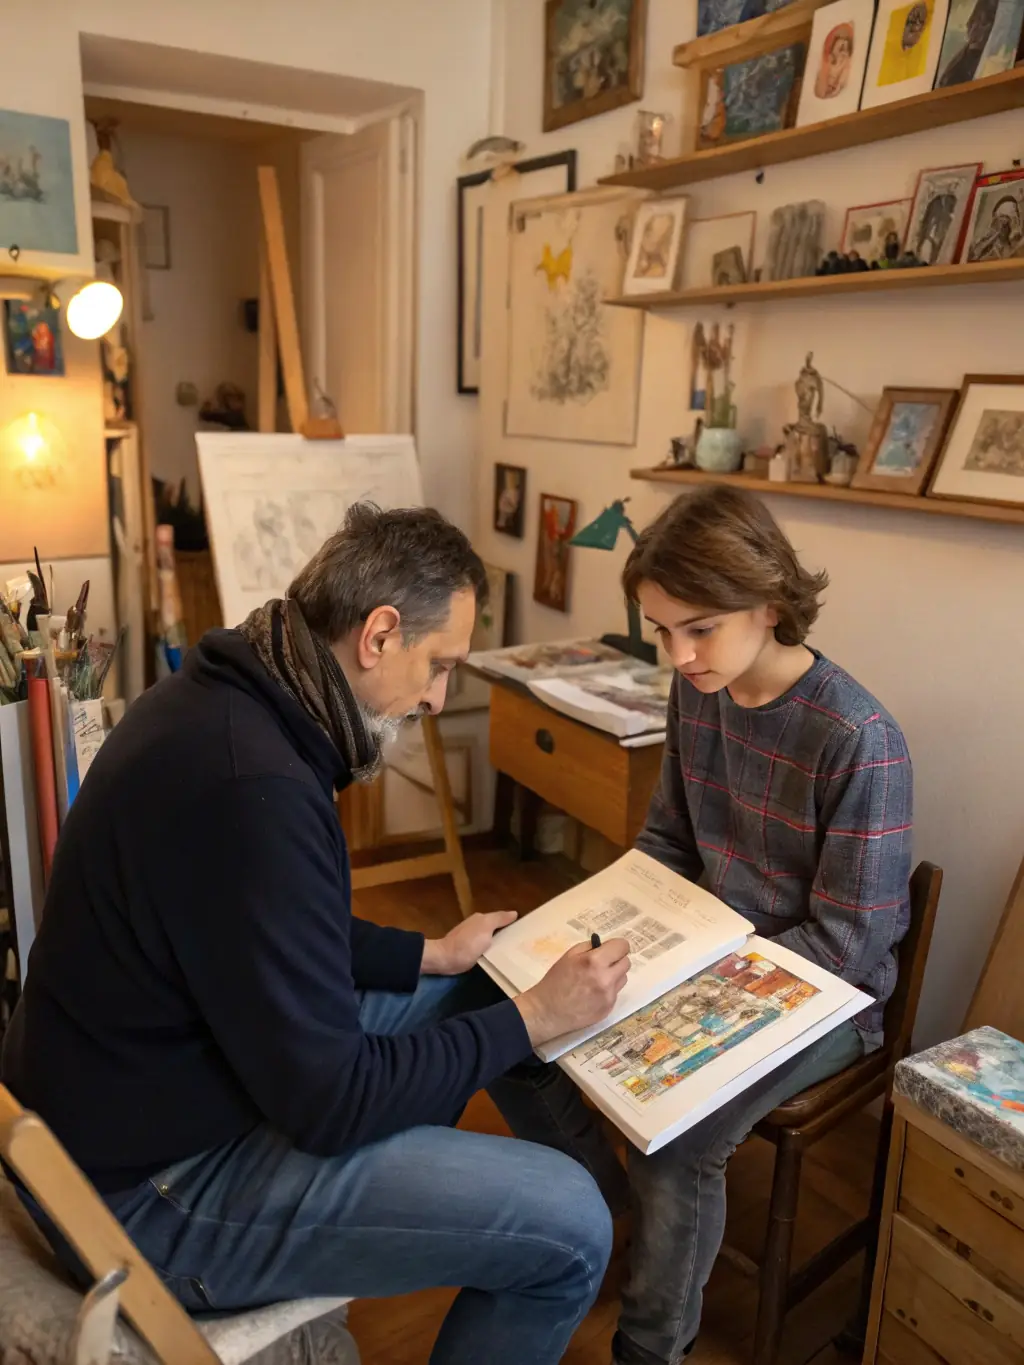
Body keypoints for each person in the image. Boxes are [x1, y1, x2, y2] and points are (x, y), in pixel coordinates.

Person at [1, 503, 633, 1365]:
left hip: (133, 1110)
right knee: (571, 1230)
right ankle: (555, 1209)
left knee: (471, 983)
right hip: (148, 1193)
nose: (438, 698)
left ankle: (447, 1194)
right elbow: (330, 1102)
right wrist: (533, 1021)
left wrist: (428, 953)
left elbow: (270, 932)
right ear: (378, 634)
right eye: (438, 665)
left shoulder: (232, 697)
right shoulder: (250, 785)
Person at [606, 486, 913, 1363]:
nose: (678, 652)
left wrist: (696, 981)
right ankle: (611, 1221)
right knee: (524, 1036)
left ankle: (650, 1343)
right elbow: (667, 838)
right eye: (661, 629)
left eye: (697, 627)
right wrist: (609, 929)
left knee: (673, 1140)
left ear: (771, 602)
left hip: (825, 1000)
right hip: (711, 959)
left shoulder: (859, 739)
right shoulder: (697, 690)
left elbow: (849, 947)